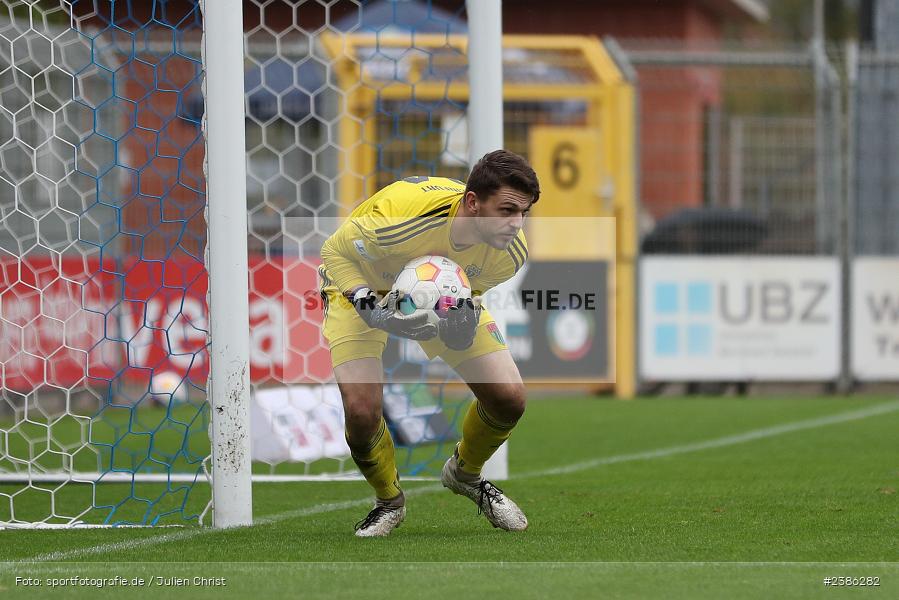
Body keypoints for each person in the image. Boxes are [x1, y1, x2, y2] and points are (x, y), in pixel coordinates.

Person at [319, 149, 540, 537]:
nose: (516, 224)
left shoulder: (511, 254)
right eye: (507, 210)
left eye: (524, 212)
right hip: (358, 285)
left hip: (437, 294)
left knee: (509, 397)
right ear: (473, 203)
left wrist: (461, 322)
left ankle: (465, 475)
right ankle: (388, 502)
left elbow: (465, 295)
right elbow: (334, 251)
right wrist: (369, 306)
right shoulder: (403, 219)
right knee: (361, 411)